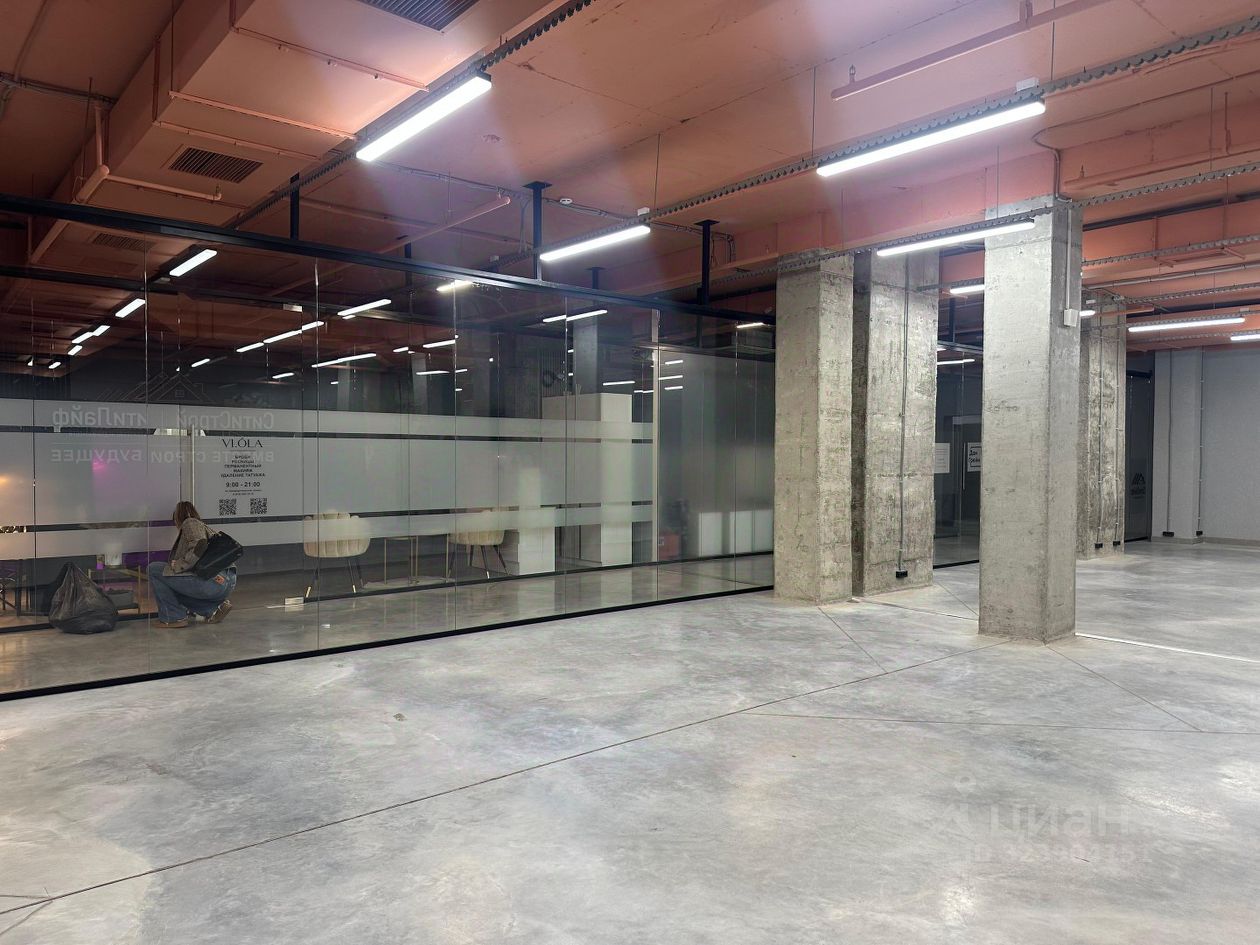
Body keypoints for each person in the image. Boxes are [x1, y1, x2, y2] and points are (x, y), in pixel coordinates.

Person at [146, 501, 235, 629]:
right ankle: (213, 609)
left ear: (177, 517)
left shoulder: (190, 522)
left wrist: (179, 564)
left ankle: (173, 617)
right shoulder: (203, 526)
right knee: (171, 585)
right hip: (225, 581)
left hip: (213, 581)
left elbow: (199, 544)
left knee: (154, 569)